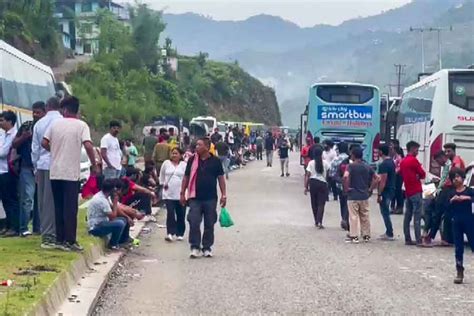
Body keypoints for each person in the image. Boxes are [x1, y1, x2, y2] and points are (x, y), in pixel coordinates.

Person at [42, 96, 97, 251]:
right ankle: (70, 241)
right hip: (70, 173)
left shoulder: (55, 124)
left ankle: (60, 239)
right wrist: (94, 164)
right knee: (70, 208)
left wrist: (55, 151)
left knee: (58, 206)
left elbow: (44, 142)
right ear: (76, 110)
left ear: (64, 109)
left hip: (55, 172)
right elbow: (88, 145)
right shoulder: (81, 125)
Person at [180, 138, 226, 258]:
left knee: (209, 223)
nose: (196, 147)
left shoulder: (215, 161)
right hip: (194, 197)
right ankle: (195, 246)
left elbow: (221, 178)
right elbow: (186, 177)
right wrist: (182, 193)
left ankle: (207, 247)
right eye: (196, 145)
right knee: (194, 221)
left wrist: (224, 194)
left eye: (199, 145)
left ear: (206, 147)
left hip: (210, 198)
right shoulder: (192, 160)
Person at [32, 96, 62, 249]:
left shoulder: (40, 124)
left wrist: (35, 168)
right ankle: (54, 233)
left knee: (44, 202)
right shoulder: (62, 122)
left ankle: (46, 232)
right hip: (59, 165)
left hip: (43, 165)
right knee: (56, 201)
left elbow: (35, 149)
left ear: (47, 107)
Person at [13, 101, 46, 236]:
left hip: (42, 167)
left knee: (40, 200)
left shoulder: (47, 127)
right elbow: (14, 144)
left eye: (38, 112)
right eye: (34, 112)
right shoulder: (27, 126)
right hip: (27, 167)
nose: (35, 115)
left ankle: (38, 228)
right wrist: (24, 137)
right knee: (27, 199)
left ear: (44, 112)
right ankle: (24, 228)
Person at [343, 146, 377, 243]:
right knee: (365, 215)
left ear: (353, 155)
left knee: (353, 216)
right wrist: (370, 189)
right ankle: (366, 235)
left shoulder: (350, 166)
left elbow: (345, 177)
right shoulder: (367, 166)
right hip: (364, 195)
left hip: (353, 195)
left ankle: (354, 236)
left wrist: (346, 188)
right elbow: (377, 178)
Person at [446, 168, 474, 284]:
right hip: (456, 222)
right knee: (458, 247)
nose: (456, 179)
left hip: (469, 221)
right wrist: (452, 200)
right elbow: (446, 208)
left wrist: (466, 198)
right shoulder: (451, 193)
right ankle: (459, 270)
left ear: (463, 178)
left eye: (458, 176)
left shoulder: (469, 191)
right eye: (453, 178)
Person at [87, 179, 131, 250]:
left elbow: (113, 210)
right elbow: (113, 217)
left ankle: (121, 241)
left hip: (102, 222)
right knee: (120, 223)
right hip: (95, 226)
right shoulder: (102, 200)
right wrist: (115, 203)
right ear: (111, 190)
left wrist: (126, 216)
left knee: (123, 219)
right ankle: (113, 244)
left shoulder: (104, 196)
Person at [399, 141, 426, 246]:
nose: (417, 152)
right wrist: (417, 176)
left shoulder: (403, 161)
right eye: (416, 149)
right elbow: (422, 174)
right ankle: (419, 239)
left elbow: (401, 173)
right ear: (412, 148)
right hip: (416, 190)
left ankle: (407, 238)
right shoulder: (414, 161)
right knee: (417, 216)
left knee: (407, 216)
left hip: (408, 191)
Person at [424, 150, 452, 246]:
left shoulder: (449, 165)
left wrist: (441, 186)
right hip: (441, 191)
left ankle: (430, 236)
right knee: (437, 213)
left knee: (438, 214)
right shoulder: (446, 166)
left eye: (437, 161)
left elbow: (447, 180)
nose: (438, 163)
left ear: (442, 157)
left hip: (445, 192)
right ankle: (439, 237)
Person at [159, 148, 187, 242]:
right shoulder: (166, 163)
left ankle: (180, 233)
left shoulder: (184, 165)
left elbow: (187, 177)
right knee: (170, 213)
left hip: (180, 193)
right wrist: (163, 184)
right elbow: (162, 175)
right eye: (173, 153)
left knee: (181, 213)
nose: (174, 155)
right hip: (168, 193)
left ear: (180, 155)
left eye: (176, 153)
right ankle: (170, 233)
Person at [0, 111, 19, 237]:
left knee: (10, 200)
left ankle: (14, 227)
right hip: (1, 170)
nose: (0, 122)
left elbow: (3, 152)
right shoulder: (3, 135)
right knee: (4, 200)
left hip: (8, 171)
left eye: (2, 120)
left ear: (10, 122)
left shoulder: (13, 136)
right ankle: (7, 226)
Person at [304, 147, 330, 228]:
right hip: (322, 183)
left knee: (314, 203)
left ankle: (316, 220)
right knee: (321, 204)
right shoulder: (326, 163)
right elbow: (328, 175)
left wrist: (305, 186)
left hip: (313, 183)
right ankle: (320, 222)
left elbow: (307, 175)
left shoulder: (311, 163)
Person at [377, 144, 396, 241]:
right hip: (391, 189)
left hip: (386, 191)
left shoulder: (383, 164)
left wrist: (379, 193)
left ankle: (389, 232)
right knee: (386, 211)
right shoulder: (391, 162)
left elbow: (383, 180)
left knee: (385, 212)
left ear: (381, 152)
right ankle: (389, 231)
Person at [330, 142, 350, 231]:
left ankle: (344, 219)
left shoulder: (335, 160)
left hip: (340, 185)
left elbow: (331, 174)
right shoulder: (350, 159)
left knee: (342, 203)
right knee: (350, 203)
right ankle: (348, 220)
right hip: (351, 185)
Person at [390, 140, 405, 214]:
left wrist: (395, 172)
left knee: (398, 191)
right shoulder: (394, 157)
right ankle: (393, 207)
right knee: (394, 191)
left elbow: (400, 167)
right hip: (394, 175)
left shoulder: (399, 157)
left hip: (398, 176)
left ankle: (399, 207)